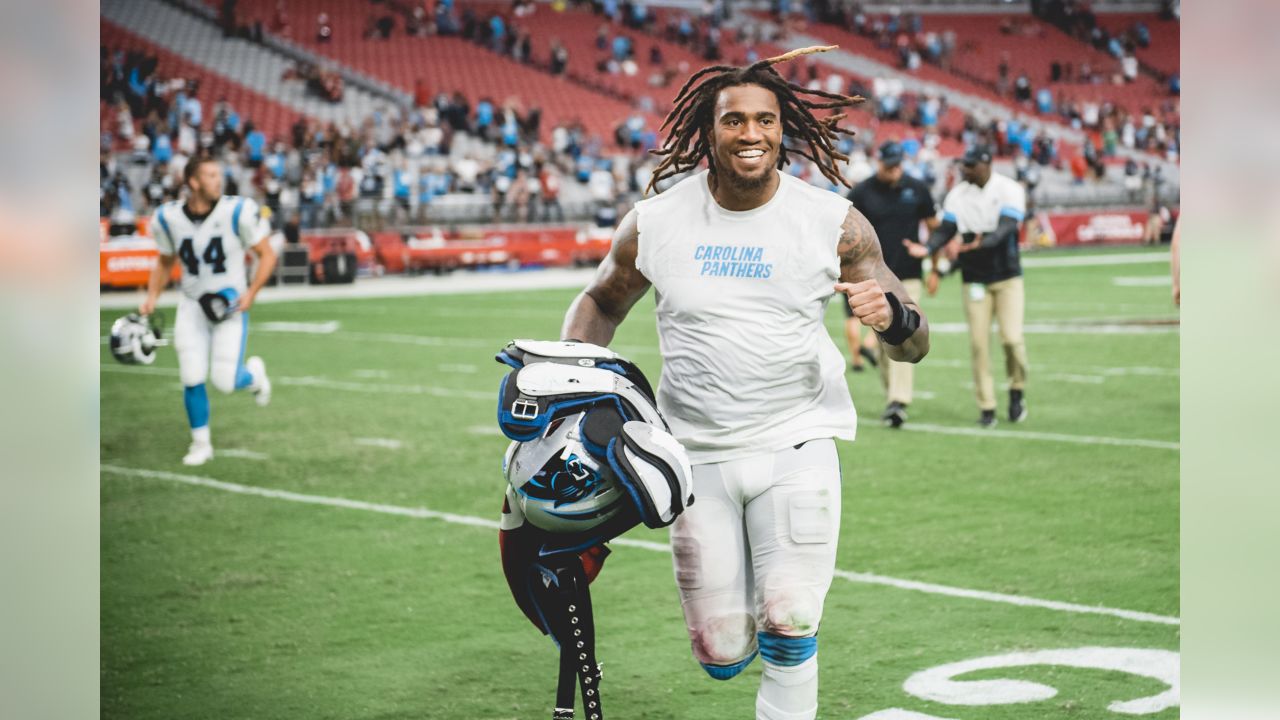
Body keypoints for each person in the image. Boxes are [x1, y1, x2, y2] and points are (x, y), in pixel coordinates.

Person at [559, 47, 930, 720]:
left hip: (798, 445)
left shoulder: (833, 222)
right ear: (709, 129)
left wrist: (895, 315)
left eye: (764, 119)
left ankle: (783, 602)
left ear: (783, 127)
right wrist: (569, 386)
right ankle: (750, 601)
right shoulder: (657, 221)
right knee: (722, 652)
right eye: (735, 121)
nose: (751, 133)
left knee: (789, 621)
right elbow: (603, 301)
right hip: (694, 458)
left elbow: (916, 343)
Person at [139, 156, 277, 466]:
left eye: (219, 174)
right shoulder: (167, 218)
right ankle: (200, 443)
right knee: (191, 375)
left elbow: (266, 255)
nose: (219, 180)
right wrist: (151, 298)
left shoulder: (237, 211)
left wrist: (251, 292)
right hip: (191, 305)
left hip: (229, 305)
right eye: (211, 175)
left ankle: (254, 375)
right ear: (193, 182)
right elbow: (164, 261)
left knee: (225, 381)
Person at [905, 145, 1027, 427]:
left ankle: (1017, 389)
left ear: (987, 164)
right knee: (979, 345)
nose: (965, 170)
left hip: (1007, 276)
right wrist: (928, 249)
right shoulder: (958, 195)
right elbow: (946, 229)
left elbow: (1006, 229)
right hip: (974, 279)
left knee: (1012, 339)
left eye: (970, 166)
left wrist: (976, 244)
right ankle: (987, 405)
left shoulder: (1008, 189)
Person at [848, 140, 940, 428]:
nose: (895, 170)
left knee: (904, 331)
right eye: (890, 165)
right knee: (884, 341)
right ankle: (892, 395)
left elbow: (935, 225)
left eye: (899, 164)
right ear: (880, 163)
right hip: (873, 277)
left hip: (908, 276)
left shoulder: (917, 188)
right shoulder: (862, 193)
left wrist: (933, 263)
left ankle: (898, 401)